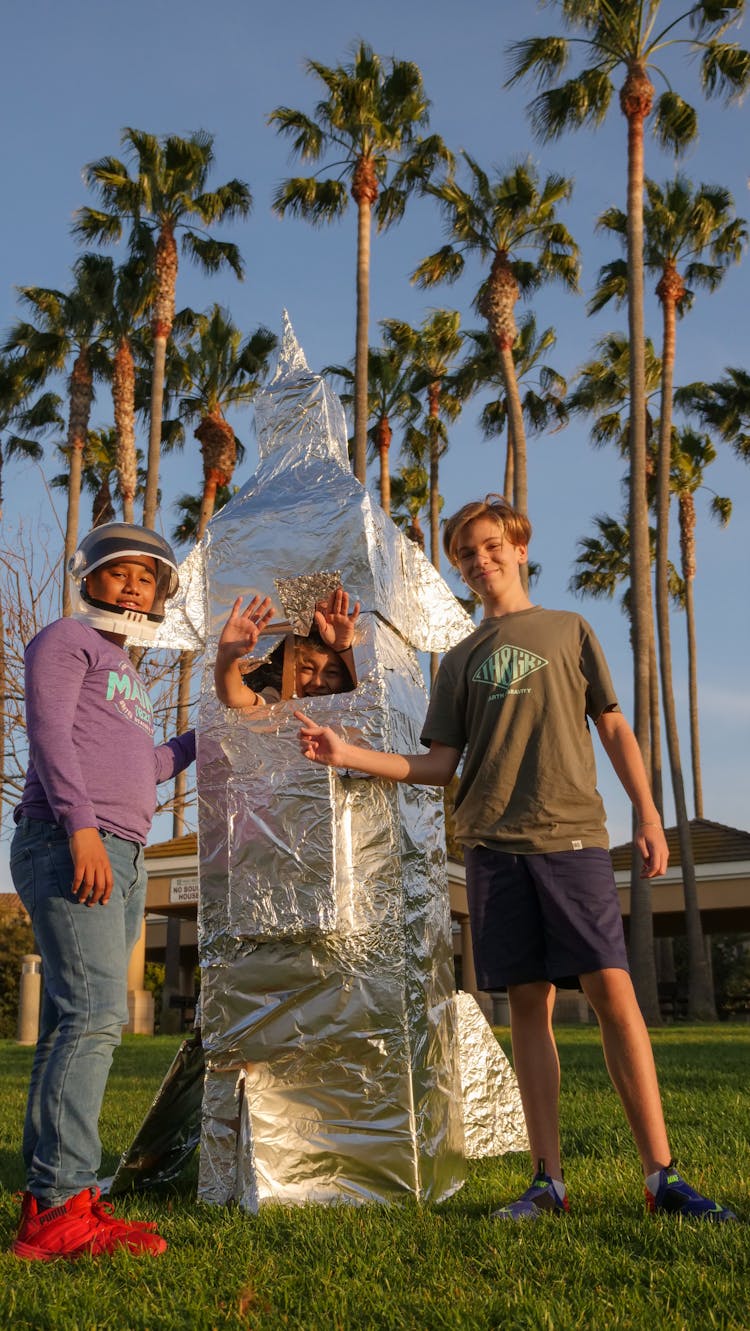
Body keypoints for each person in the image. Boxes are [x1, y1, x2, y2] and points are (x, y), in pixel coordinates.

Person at [295, 494, 736, 1222]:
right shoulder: (461, 659)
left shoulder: (569, 630)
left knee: (614, 997)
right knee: (528, 1007)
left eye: (492, 544)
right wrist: (350, 754)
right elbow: (438, 765)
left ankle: (663, 1177)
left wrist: (650, 813)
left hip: (572, 838)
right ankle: (547, 1182)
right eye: (467, 552)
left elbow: (616, 729)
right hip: (493, 849)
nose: (481, 559)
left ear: (520, 546)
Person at [10, 522, 196, 1260]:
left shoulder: (130, 677)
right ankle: (56, 1208)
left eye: (147, 577)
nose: (132, 584)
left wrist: (204, 737)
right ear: (89, 578)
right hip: (72, 840)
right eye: (119, 571)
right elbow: (50, 733)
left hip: (125, 847)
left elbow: (144, 764)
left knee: (77, 1018)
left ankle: (65, 1192)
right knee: (93, 1014)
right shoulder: (66, 640)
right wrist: (81, 826)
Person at [214, 587, 360, 706]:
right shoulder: (277, 697)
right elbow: (234, 697)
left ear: (344, 677)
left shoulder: (354, 701)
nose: (317, 682)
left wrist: (343, 648)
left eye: (332, 673)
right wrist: (226, 657)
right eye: (308, 669)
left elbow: (372, 695)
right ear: (292, 669)